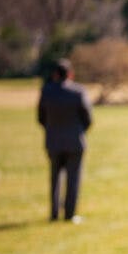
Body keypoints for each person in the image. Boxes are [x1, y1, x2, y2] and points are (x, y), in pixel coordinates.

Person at [37, 58, 93, 223]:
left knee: (54, 178)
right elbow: (88, 118)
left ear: (55, 75)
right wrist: (78, 131)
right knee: (73, 179)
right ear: (70, 74)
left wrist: (52, 130)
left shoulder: (46, 91)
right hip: (75, 142)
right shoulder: (78, 92)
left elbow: (41, 117)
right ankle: (69, 214)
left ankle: (54, 214)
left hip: (53, 142)